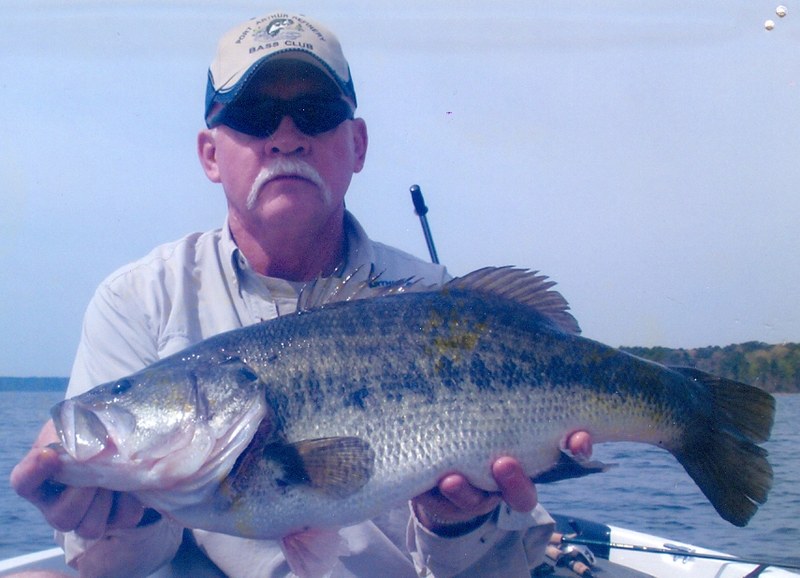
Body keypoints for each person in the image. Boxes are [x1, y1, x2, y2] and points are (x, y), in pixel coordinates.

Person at [10, 10, 592, 578]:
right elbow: (124, 565)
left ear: (358, 146)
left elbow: (478, 566)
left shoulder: (431, 305)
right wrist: (117, 517)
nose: (286, 137)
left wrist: (455, 523)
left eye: (314, 113)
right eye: (254, 113)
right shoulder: (138, 300)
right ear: (210, 154)